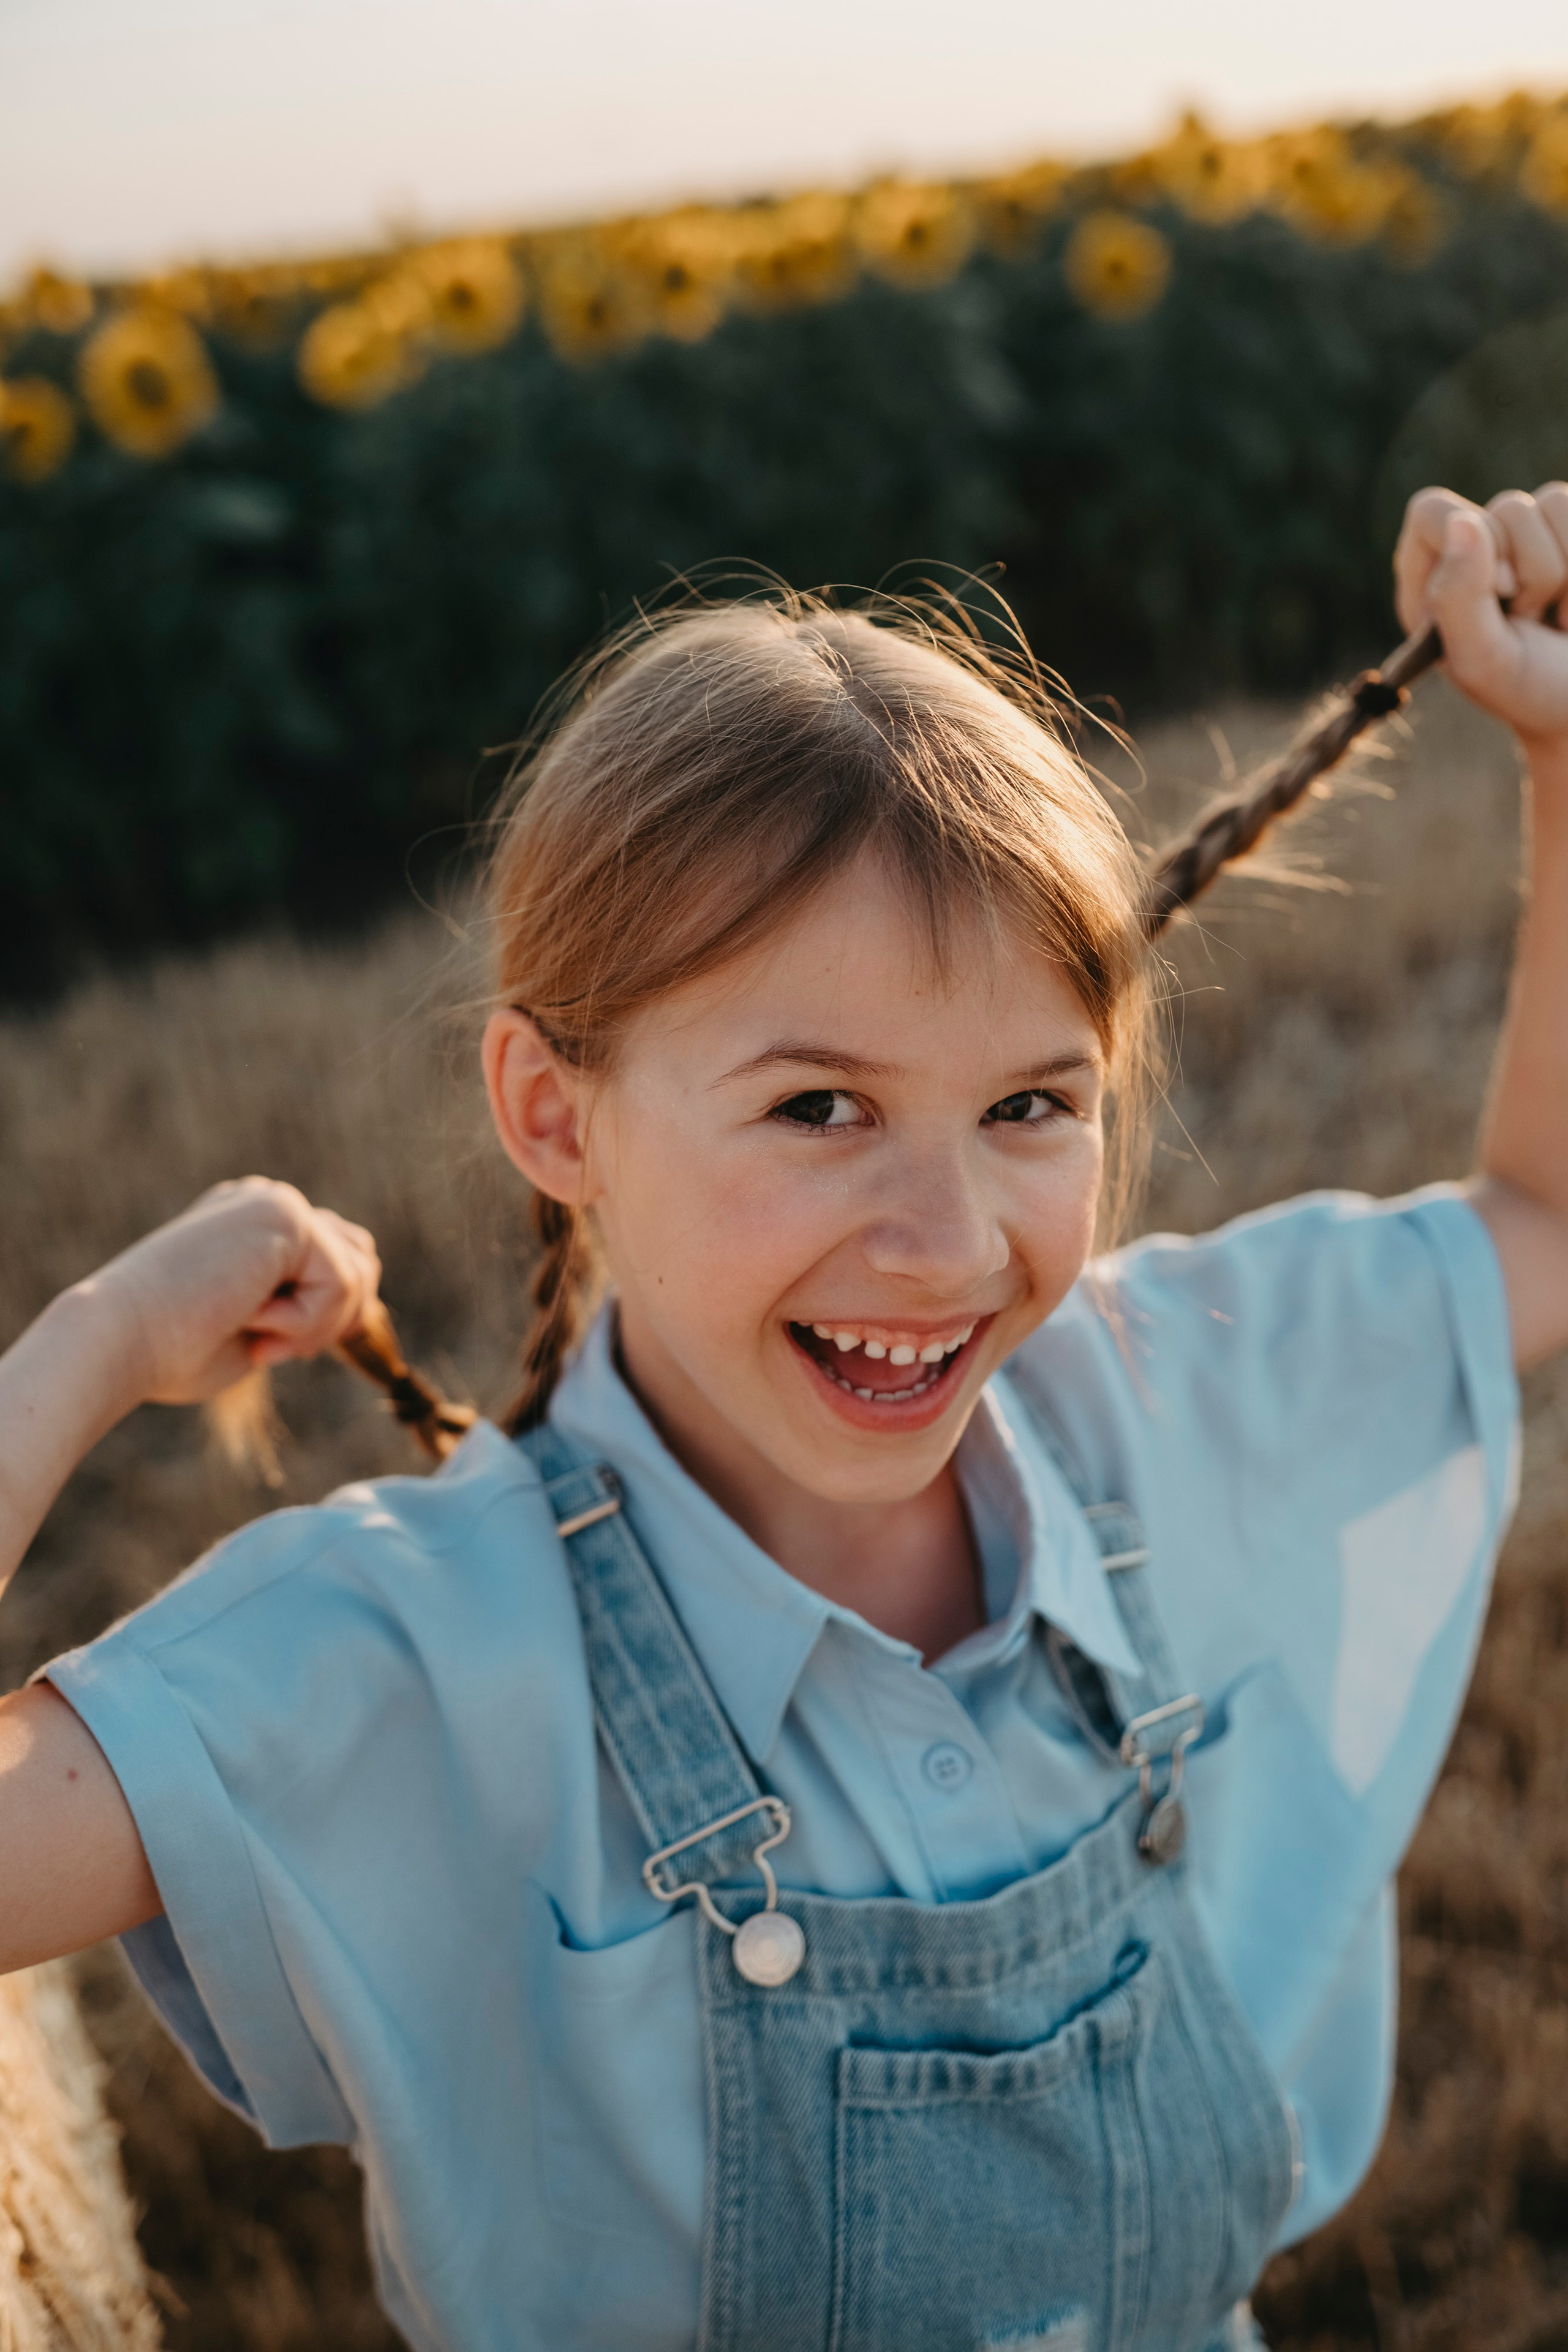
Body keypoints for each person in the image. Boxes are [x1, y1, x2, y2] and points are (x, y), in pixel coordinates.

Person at [1, 483, 1566, 2352]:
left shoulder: (1167, 1398)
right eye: (820, 1108)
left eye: (1031, 1105)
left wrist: (1559, 749)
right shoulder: (421, 1655)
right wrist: (93, 1341)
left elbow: (1546, 1220)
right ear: (555, 1112)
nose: (949, 1243)